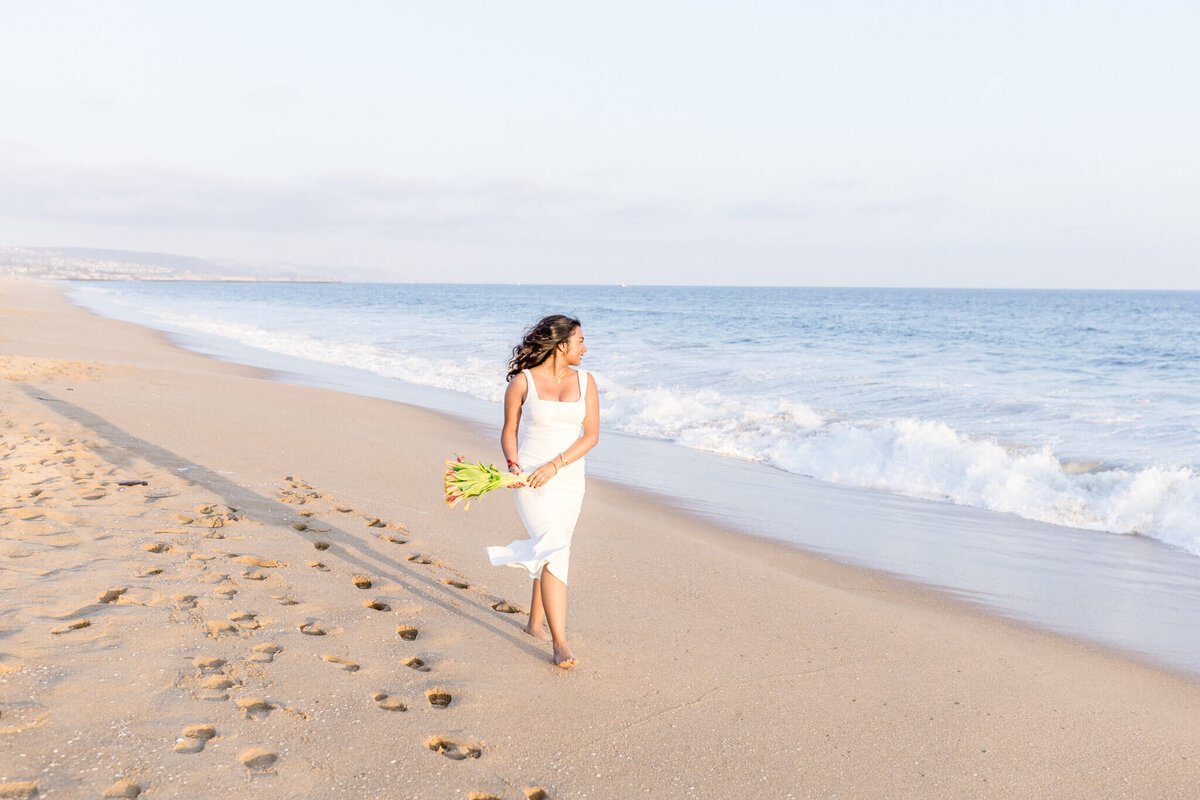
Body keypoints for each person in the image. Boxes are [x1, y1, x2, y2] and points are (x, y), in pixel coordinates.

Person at [485, 315, 599, 668]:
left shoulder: (586, 381)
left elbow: (591, 436)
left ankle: (535, 623)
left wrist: (557, 465)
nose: (585, 347)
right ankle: (560, 643)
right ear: (562, 344)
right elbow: (509, 431)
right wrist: (514, 465)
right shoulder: (523, 382)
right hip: (531, 478)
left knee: (553, 545)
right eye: (580, 340)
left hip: (568, 478)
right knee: (555, 547)